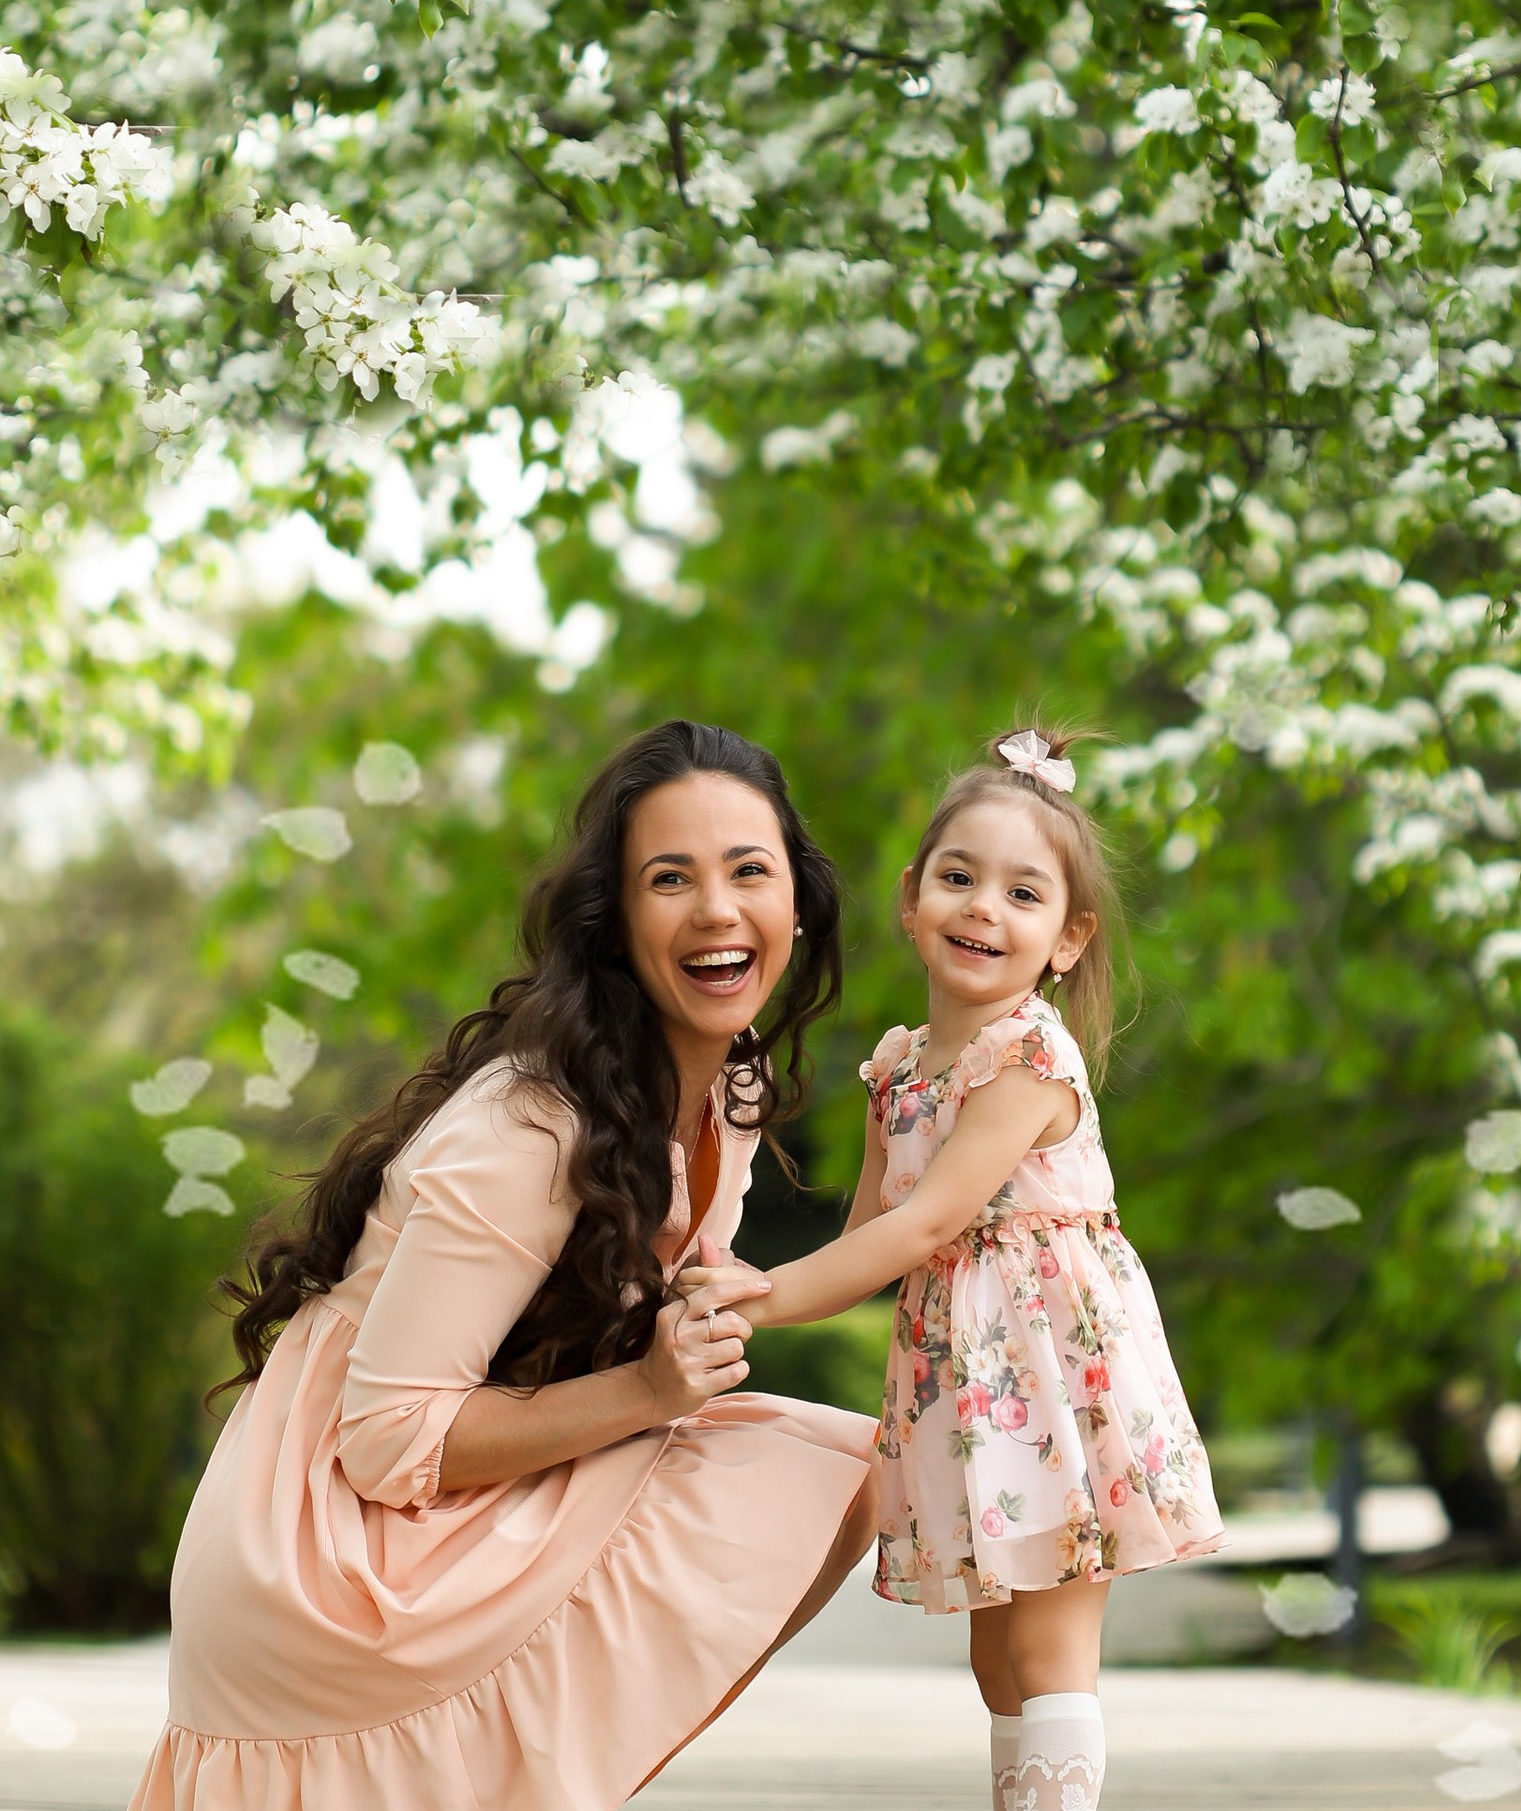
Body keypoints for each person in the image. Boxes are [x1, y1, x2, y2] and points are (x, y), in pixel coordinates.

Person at [125, 720, 877, 1811]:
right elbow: (387, 1442)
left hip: (458, 1487)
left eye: (747, 870)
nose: (717, 908)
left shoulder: (731, 1083)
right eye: (669, 878)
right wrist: (646, 1389)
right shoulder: (533, 1125)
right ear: (614, 923)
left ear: (796, 902)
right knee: (780, 1458)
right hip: (330, 1545)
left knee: (840, 1467)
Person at [685, 727, 1222, 1811]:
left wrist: (765, 1294)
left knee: (1051, 1648)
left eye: (1023, 895)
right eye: (959, 877)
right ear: (910, 895)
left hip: (1053, 1372)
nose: (984, 907)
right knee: (995, 1667)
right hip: (967, 1386)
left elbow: (928, 1221)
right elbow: (872, 1232)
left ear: (1065, 940)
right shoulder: (898, 1066)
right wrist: (742, 1274)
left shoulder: (1030, 1056)